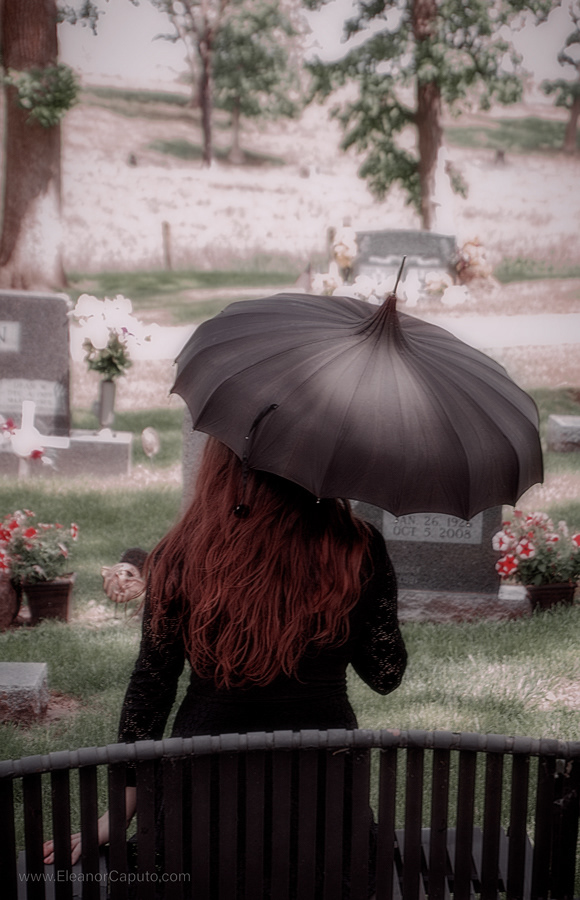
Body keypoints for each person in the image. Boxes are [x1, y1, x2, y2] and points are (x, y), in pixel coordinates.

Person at [44, 436, 407, 894]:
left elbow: (150, 689)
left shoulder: (182, 550)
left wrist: (116, 816)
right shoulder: (357, 547)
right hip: (322, 810)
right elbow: (386, 674)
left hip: (200, 805)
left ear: (222, 462)